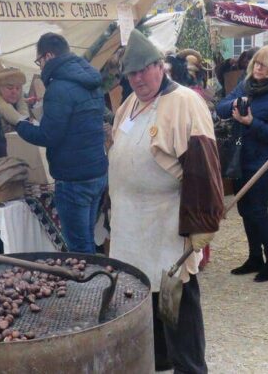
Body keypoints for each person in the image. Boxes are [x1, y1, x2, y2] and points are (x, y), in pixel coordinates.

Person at [108, 30, 224, 373]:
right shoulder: (129, 104)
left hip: (166, 225)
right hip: (131, 225)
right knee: (144, 299)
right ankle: (157, 362)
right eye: (132, 73)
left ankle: (189, 368)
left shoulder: (185, 102)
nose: (138, 78)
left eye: (145, 69)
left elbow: (204, 169)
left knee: (177, 303)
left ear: (161, 66)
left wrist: (202, 225)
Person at [15, 33, 108, 254]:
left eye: (39, 61)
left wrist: (20, 124)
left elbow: (49, 136)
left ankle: (88, 287)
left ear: (48, 56)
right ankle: (96, 283)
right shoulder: (91, 80)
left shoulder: (59, 88)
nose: (40, 66)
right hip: (97, 172)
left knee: (78, 247)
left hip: (73, 179)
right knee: (88, 238)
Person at [216, 46, 268, 282]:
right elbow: (221, 107)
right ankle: (254, 257)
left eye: (264, 64)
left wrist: (251, 122)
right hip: (243, 157)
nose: (258, 68)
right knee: (244, 210)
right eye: (257, 63)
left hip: (265, 162)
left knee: (258, 211)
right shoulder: (246, 84)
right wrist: (234, 106)